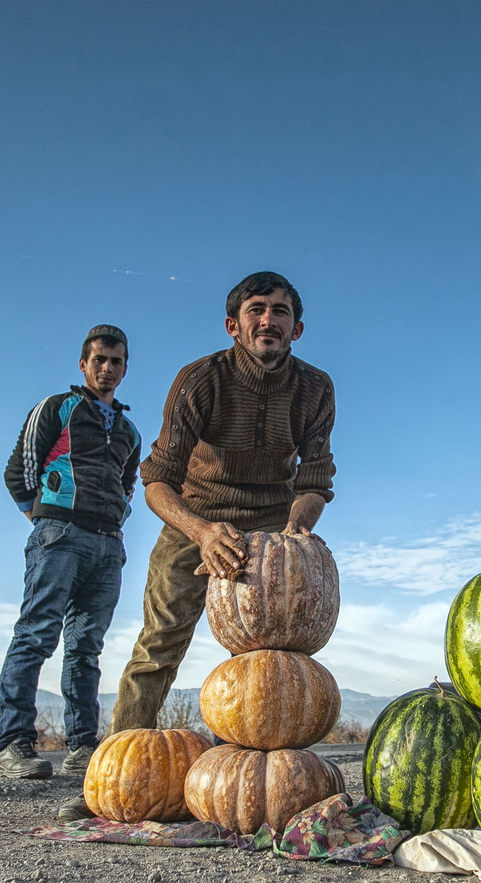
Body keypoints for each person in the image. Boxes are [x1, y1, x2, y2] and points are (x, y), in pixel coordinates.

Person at [109, 271, 336, 732]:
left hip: (271, 527)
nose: (268, 320)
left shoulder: (315, 388)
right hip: (195, 518)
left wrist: (294, 536)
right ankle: (114, 774)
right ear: (233, 325)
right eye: (256, 310)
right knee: (159, 645)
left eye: (280, 312)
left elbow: (313, 479)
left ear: (297, 329)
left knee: (265, 656)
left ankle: (246, 772)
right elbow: (156, 481)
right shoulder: (199, 380)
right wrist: (201, 532)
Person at [0, 325, 142, 779]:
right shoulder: (58, 408)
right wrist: (46, 520)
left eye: (116, 361)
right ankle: (13, 747)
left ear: (125, 368)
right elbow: (19, 471)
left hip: (107, 545)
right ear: (84, 364)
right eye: (99, 359)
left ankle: (81, 748)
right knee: (36, 634)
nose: (107, 368)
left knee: (85, 649)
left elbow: (127, 486)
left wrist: (110, 528)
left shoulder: (130, 433)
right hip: (59, 536)